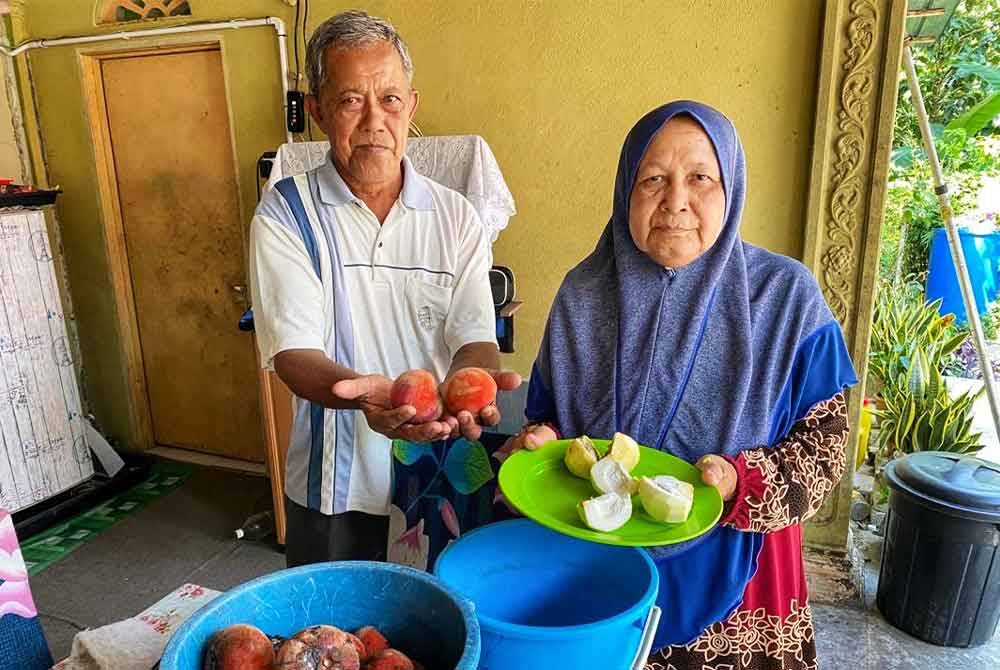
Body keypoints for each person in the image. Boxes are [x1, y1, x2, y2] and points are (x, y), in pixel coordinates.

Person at [507, 100, 857, 669]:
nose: (675, 201)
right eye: (653, 180)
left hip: (739, 577)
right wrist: (541, 442)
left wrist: (741, 483)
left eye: (700, 178)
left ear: (731, 188)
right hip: (598, 559)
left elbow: (828, 445)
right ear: (626, 190)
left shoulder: (784, 298)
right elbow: (547, 418)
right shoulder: (582, 293)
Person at [249, 10, 518, 568]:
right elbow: (293, 355)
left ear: (411, 108)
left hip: (439, 468)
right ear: (320, 112)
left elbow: (473, 337)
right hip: (333, 485)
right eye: (351, 101)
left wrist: (478, 382)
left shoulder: (456, 217)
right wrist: (363, 393)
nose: (374, 120)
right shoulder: (286, 213)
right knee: (332, 642)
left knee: (437, 634)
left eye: (390, 100)